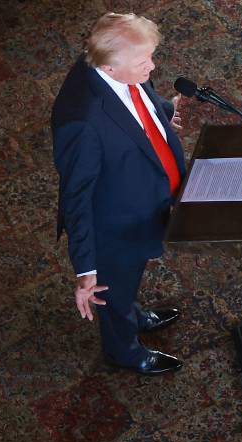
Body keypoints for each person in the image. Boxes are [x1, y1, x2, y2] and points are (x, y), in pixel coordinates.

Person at [51, 12, 186, 375]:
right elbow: (76, 198)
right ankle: (124, 351)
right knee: (114, 290)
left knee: (127, 284)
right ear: (110, 68)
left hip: (143, 205)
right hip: (115, 230)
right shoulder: (82, 121)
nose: (153, 66)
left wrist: (161, 112)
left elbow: (138, 93)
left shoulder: (109, 62)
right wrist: (86, 269)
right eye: (144, 61)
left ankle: (133, 313)